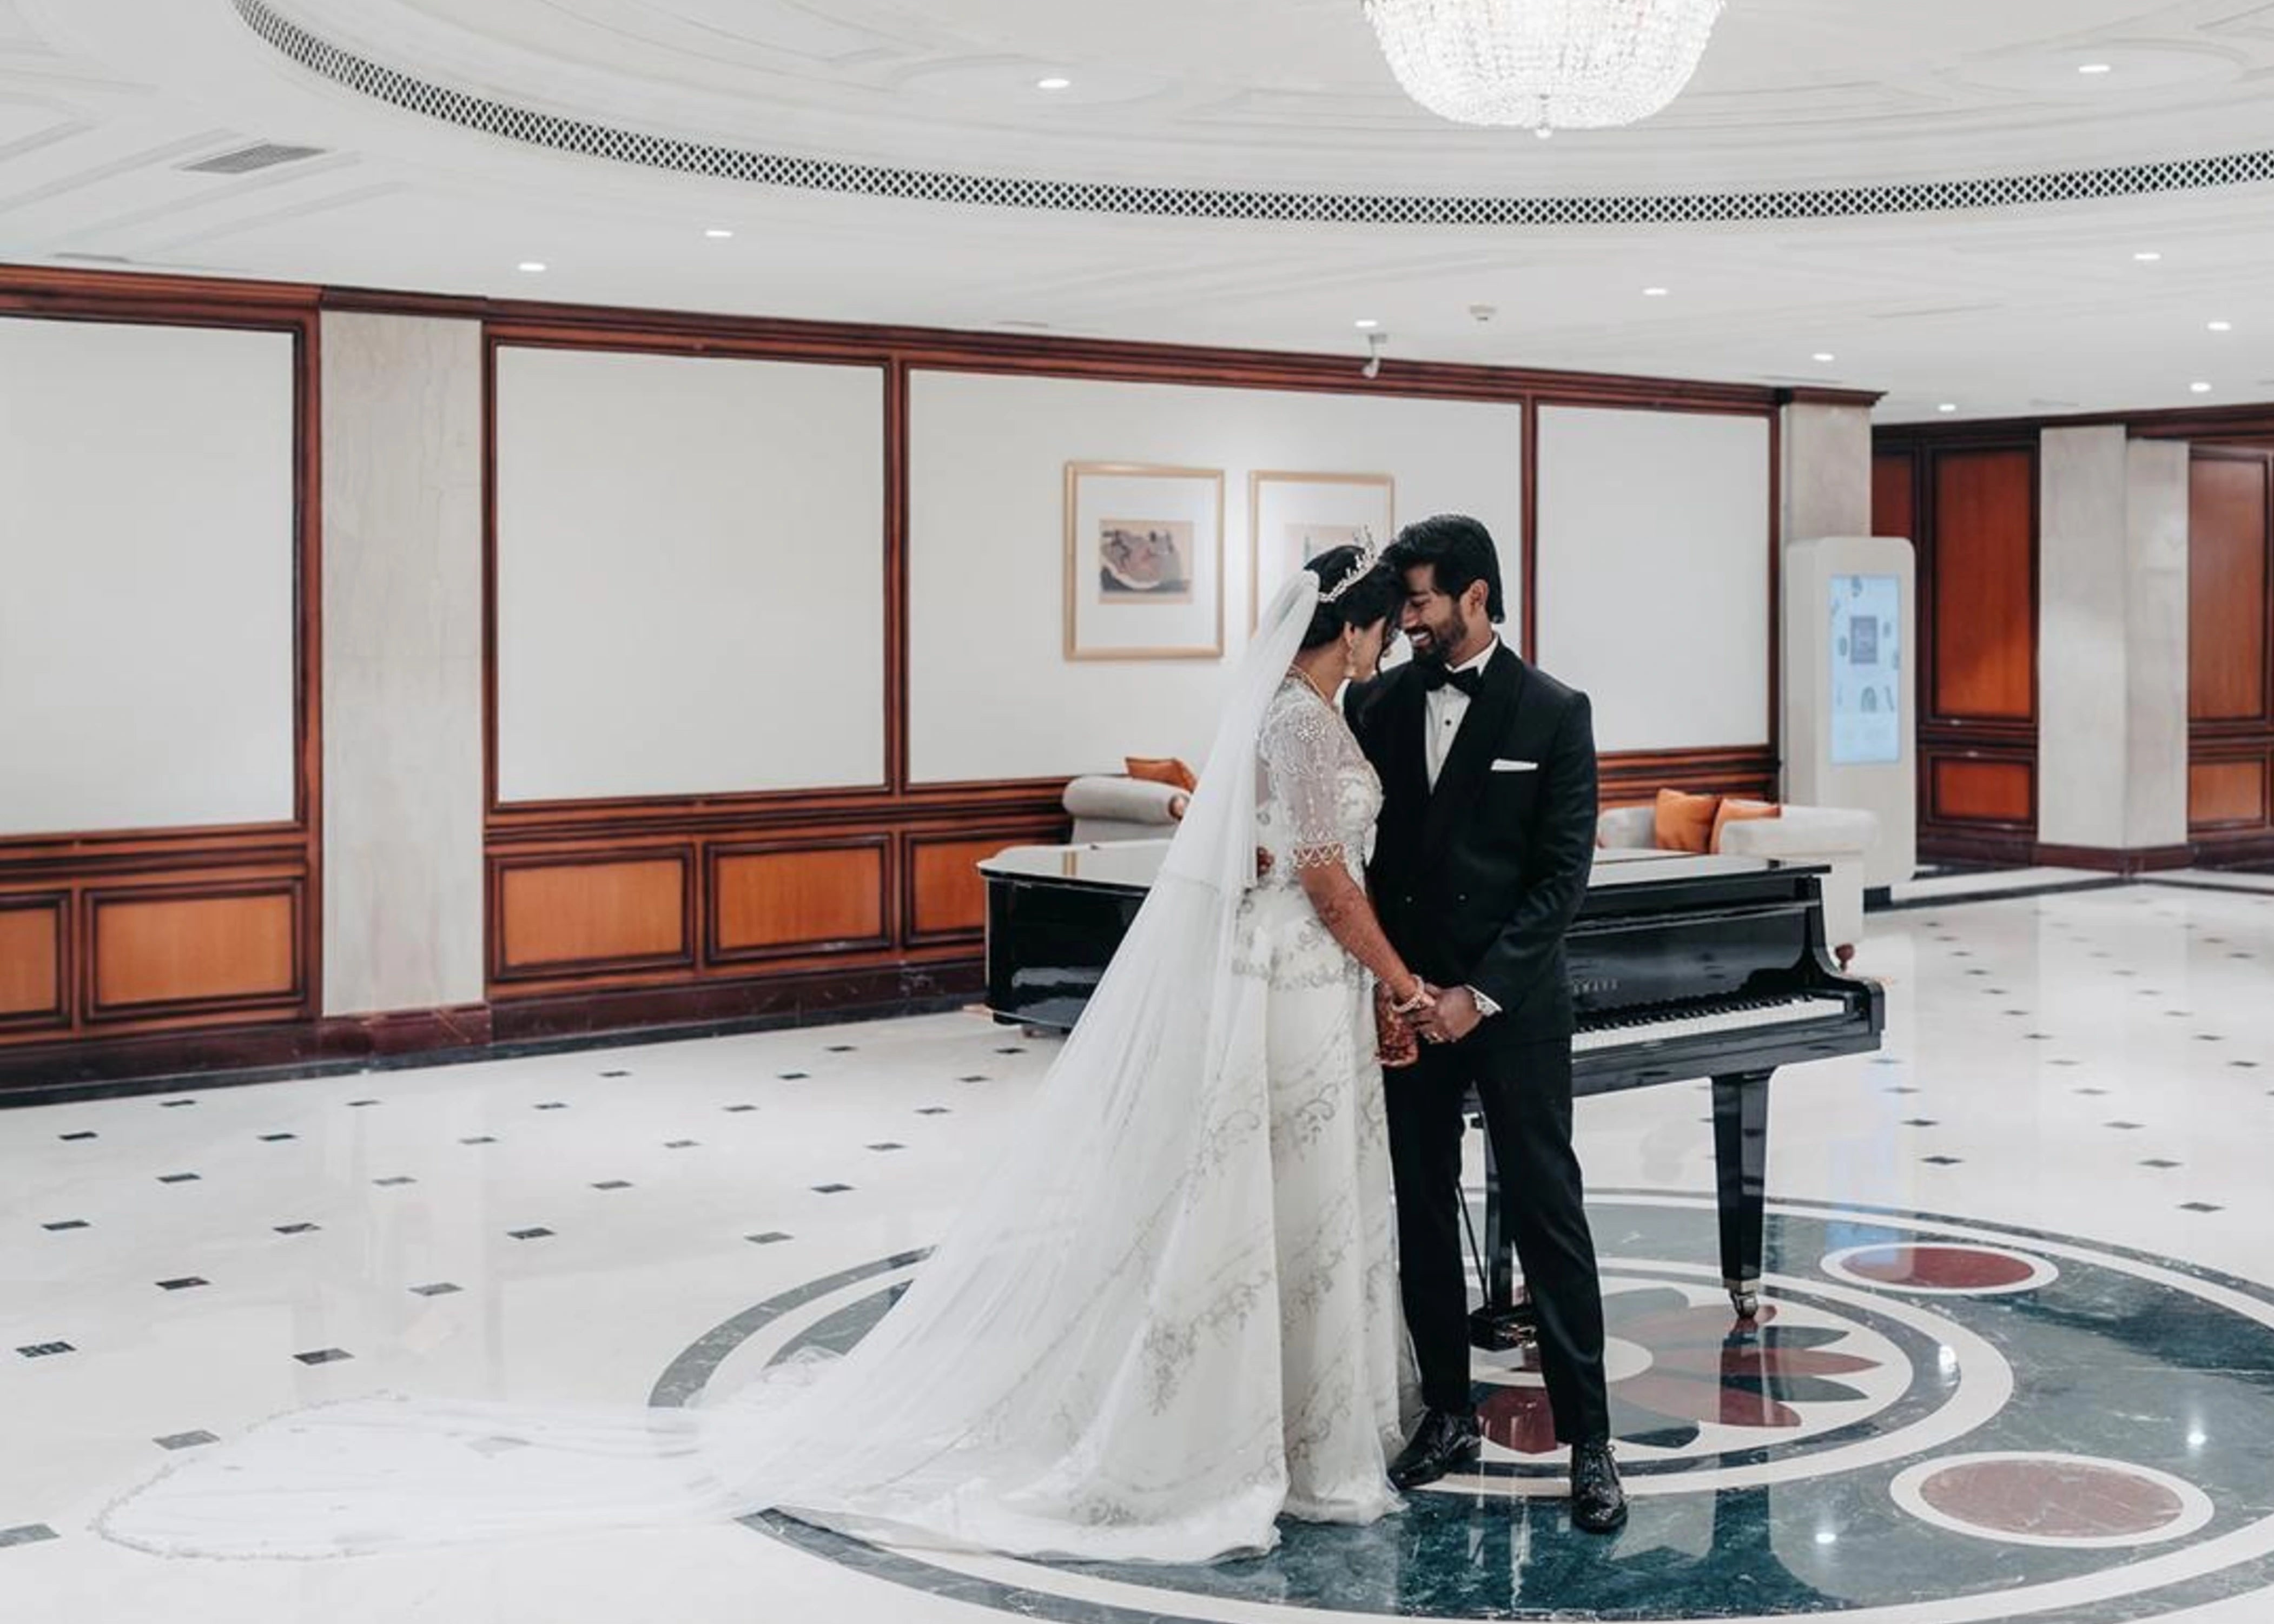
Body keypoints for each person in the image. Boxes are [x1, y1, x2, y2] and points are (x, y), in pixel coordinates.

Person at [98, 542, 1430, 1566]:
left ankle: (1284, 1418)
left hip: (1292, 983)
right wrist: (1401, 983)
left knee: (1277, 1203)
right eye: (1384, 627)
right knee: (1268, 1202)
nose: (1387, 646)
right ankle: (1254, 1437)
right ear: (1357, 628)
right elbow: (1323, 876)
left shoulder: (1294, 721)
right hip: (1294, 983)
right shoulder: (1300, 723)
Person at [1346, 513, 1628, 1535]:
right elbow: (1365, 855)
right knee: (1421, 1209)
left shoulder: (1555, 711)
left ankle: (1590, 1441)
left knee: (1550, 1215)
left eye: (1421, 601)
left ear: (1476, 596)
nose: (1407, 621)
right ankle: (1448, 1414)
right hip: (1409, 1002)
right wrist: (1400, 990)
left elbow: (1560, 881)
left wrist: (1482, 994)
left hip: (1513, 1009)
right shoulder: (1377, 701)